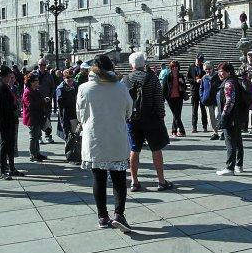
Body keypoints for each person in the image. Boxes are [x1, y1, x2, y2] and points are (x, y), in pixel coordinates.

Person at [76, 55, 133, 232]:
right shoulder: (120, 87)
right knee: (119, 178)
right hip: (115, 137)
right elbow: (128, 111)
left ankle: (102, 216)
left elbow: (80, 115)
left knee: (98, 179)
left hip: (95, 138)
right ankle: (119, 214)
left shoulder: (84, 88)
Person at [123, 52, 173, 193]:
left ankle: (134, 181)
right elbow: (159, 99)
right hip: (151, 118)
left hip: (132, 119)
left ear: (131, 64)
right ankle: (161, 181)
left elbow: (122, 101)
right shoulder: (152, 78)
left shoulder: (125, 80)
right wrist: (161, 116)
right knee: (156, 149)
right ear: (144, 64)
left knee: (134, 149)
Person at [0, 65, 24, 180]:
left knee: (10, 145)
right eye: (9, 76)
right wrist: (13, 108)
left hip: (7, 120)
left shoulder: (0, 85)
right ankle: (3, 169)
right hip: (4, 121)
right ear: (5, 76)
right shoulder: (0, 87)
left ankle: (11, 168)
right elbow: (1, 106)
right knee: (4, 145)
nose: (10, 78)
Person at [216, 62, 244, 176]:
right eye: (218, 71)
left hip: (230, 117)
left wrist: (223, 115)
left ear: (228, 72)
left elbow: (229, 101)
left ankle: (229, 167)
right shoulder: (235, 81)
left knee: (230, 142)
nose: (219, 74)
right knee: (237, 141)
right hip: (237, 116)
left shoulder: (228, 84)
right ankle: (238, 165)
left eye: (221, 71)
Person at [23, 72, 49, 161]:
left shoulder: (35, 91)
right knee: (33, 137)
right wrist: (43, 101)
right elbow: (30, 105)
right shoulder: (27, 92)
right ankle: (33, 154)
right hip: (31, 118)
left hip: (37, 117)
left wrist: (44, 101)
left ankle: (37, 153)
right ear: (31, 82)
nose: (38, 82)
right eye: (36, 81)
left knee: (37, 136)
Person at [163, 60, 187, 137]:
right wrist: (164, 98)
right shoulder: (167, 76)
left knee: (177, 115)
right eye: (173, 67)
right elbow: (164, 88)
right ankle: (181, 130)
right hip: (170, 98)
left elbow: (185, 87)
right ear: (171, 68)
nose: (174, 68)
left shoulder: (181, 76)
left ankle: (174, 131)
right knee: (175, 114)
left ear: (178, 67)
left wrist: (182, 83)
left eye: (176, 67)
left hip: (179, 97)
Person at [200, 61, 222, 140]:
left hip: (217, 99)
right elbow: (201, 88)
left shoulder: (218, 76)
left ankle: (221, 130)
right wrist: (202, 97)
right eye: (206, 69)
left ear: (213, 68)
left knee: (218, 115)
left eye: (209, 69)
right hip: (207, 100)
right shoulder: (204, 77)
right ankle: (215, 132)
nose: (208, 71)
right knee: (210, 117)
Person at [239, 51, 252, 133]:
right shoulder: (243, 66)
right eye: (248, 56)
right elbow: (238, 74)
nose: (250, 58)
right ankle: (244, 127)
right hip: (245, 89)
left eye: (251, 56)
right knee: (245, 108)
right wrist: (242, 73)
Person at [187, 54, 207, 133]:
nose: (198, 62)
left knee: (203, 109)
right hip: (194, 90)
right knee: (194, 109)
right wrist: (195, 81)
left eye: (200, 60)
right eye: (198, 60)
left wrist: (202, 80)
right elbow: (188, 78)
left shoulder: (204, 66)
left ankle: (204, 126)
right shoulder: (191, 67)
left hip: (203, 91)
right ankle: (194, 127)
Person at [36, 59, 55, 144]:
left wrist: (50, 98)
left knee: (47, 119)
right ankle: (39, 136)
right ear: (38, 65)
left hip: (47, 101)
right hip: (37, 101)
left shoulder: (49, 76)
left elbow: (52, 88)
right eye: (40, 64)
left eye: (43, 65)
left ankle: (48, 135)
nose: (42, 66)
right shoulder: (34, 74)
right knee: (38, 119)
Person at [56, 69, 78, 141]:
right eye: (68, 77)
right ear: (64, 78)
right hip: (66, 116)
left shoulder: (75, 85)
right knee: (68, 138)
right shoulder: (61, 88)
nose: (70, 79)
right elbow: (61, 104)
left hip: (75, 114)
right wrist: (69, 93)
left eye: (72, 77)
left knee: (76, 136)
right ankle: (69, 151)